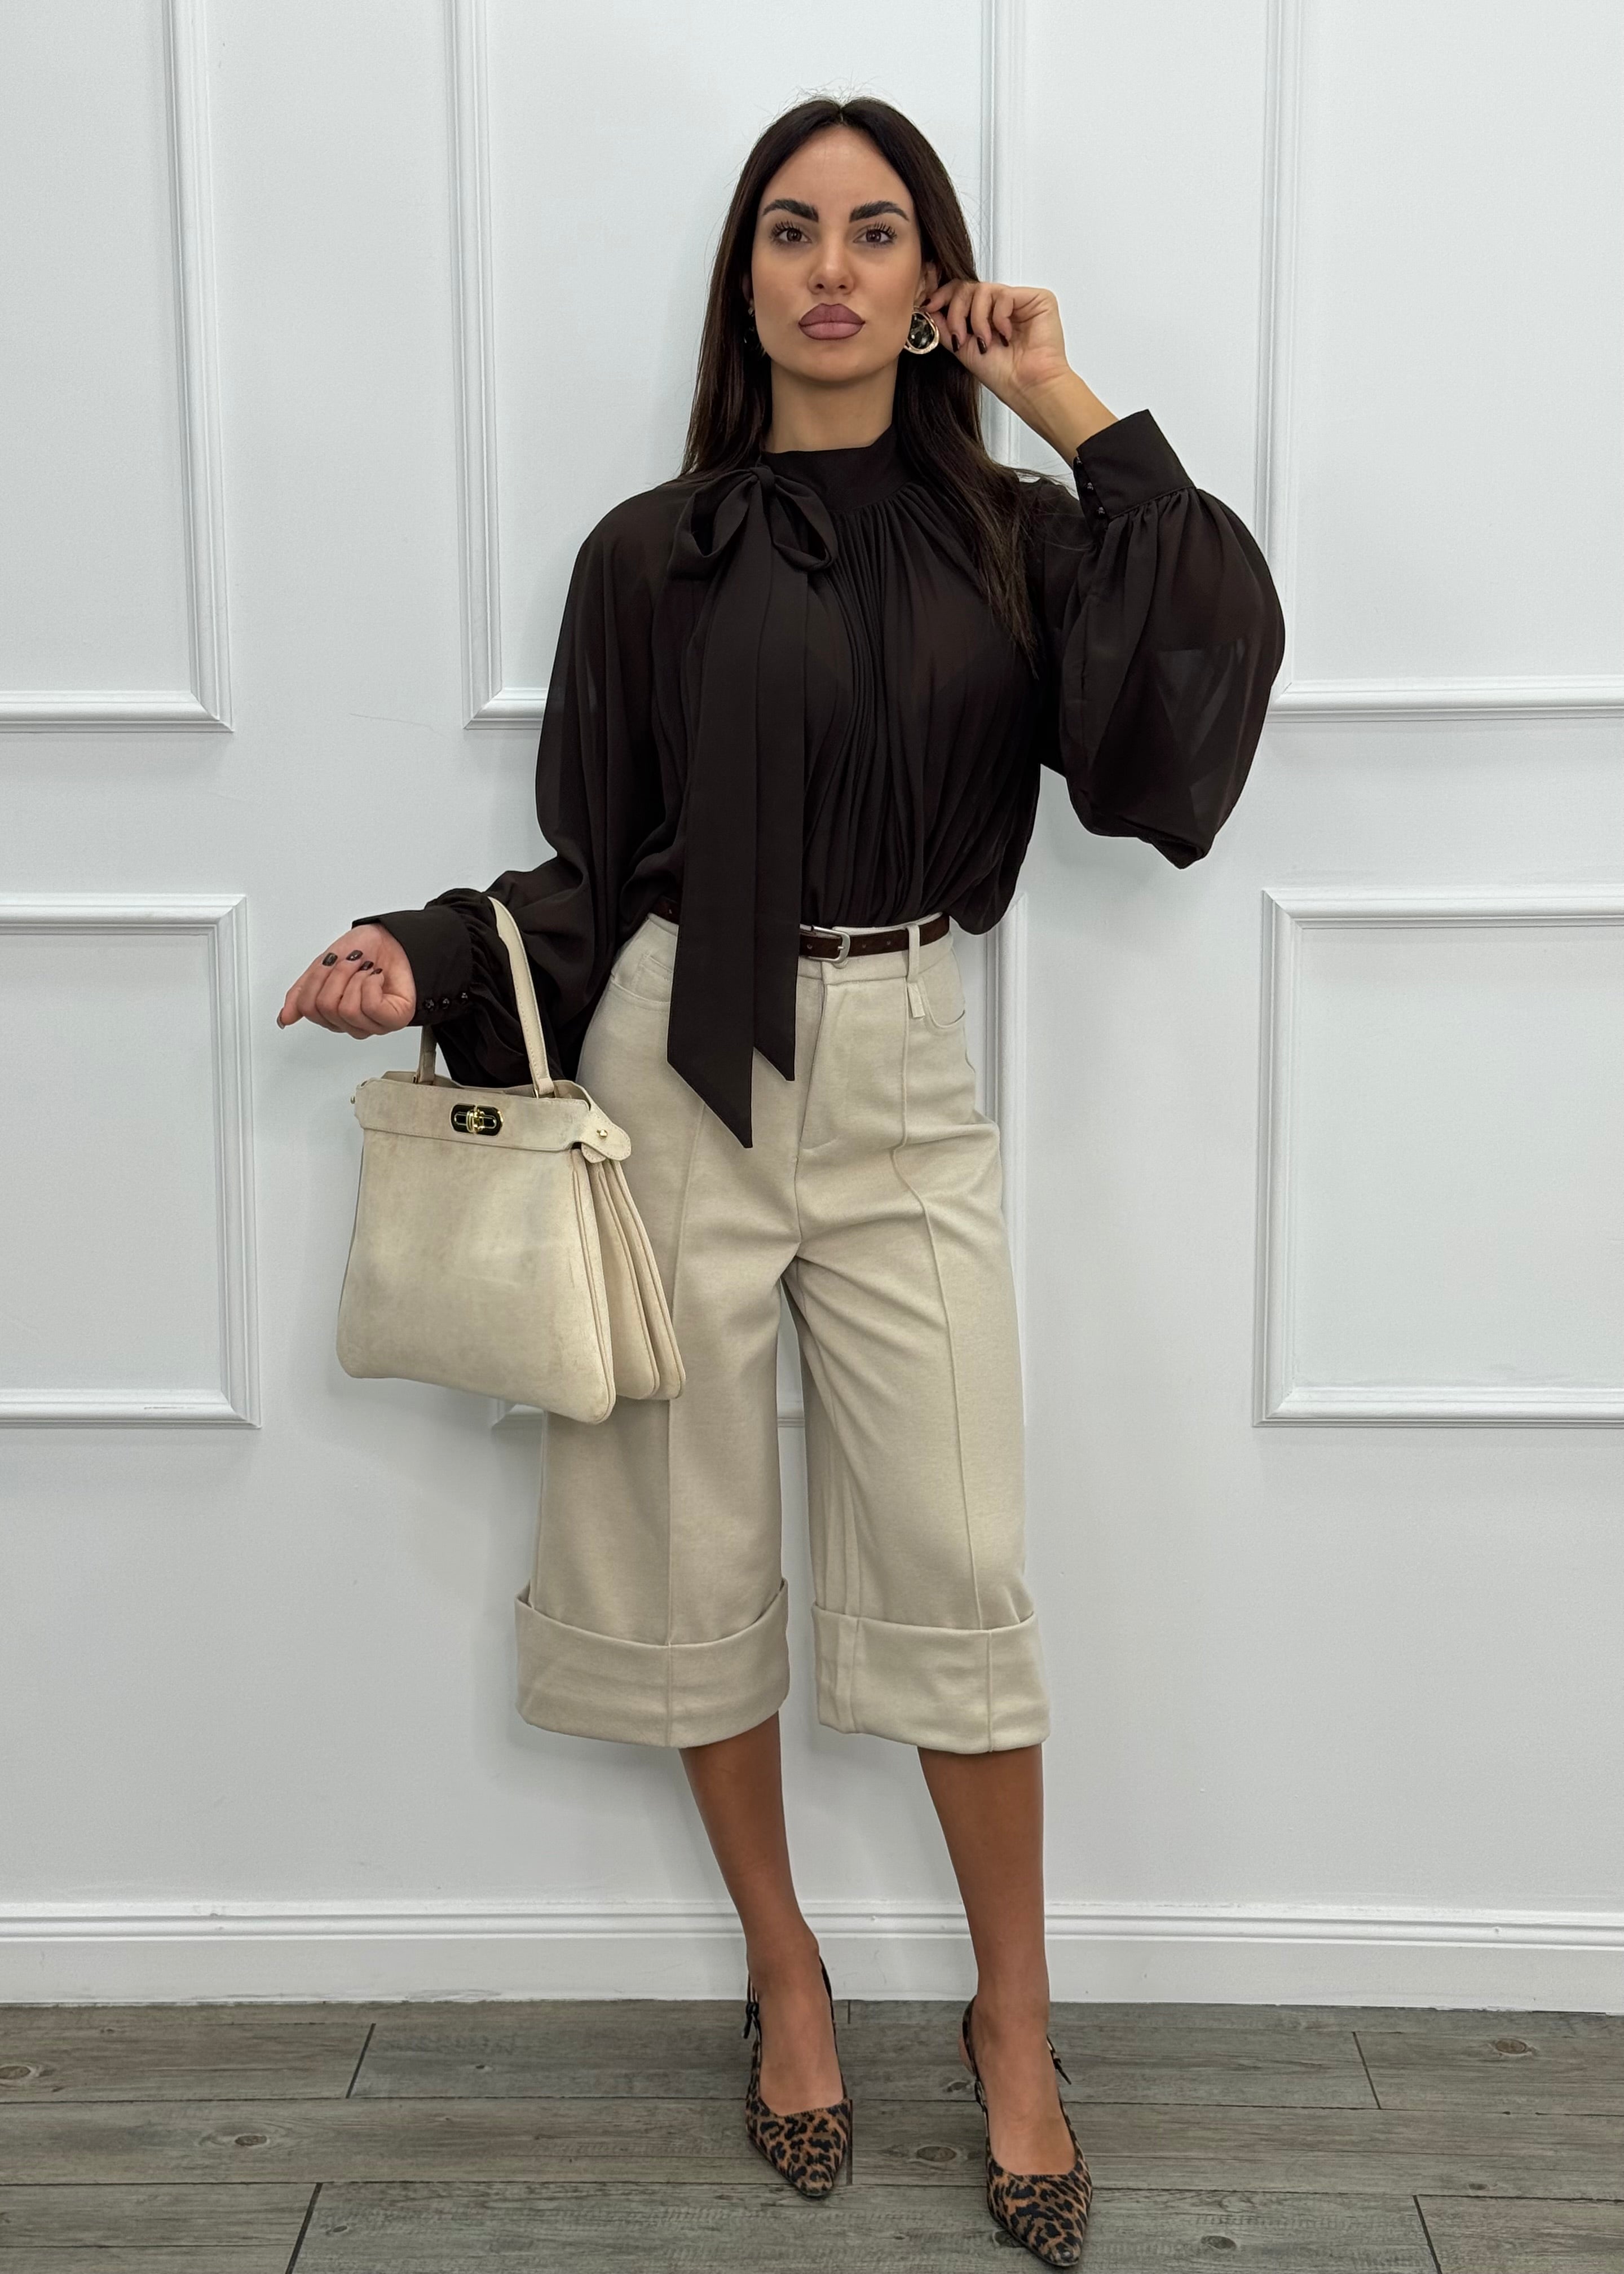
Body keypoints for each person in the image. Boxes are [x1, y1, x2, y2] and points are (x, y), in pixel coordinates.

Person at [279, 93, 1284, 2268]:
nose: (833, 266)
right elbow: (597, 857)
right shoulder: (647, 555)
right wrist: (426, 954)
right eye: (794, 230)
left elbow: (1183, 718)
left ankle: (1014, 2025)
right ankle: (789, 1970)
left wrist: (1064, 398)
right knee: (683, 1546)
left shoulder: (1015, 536)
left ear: (931, 281)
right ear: (744, 280)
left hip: (906, 1065)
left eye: (879, 232)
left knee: (961, 1564)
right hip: (680, 1060)